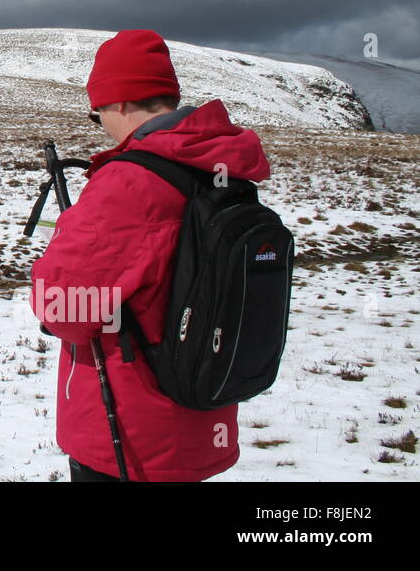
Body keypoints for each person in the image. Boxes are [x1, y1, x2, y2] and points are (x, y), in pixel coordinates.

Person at [30, 29, 272, 481]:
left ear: (119, 103)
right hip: (203, 412)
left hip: (129, 437)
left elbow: (61, 308)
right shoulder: (217, 171)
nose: (101, 122)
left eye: (97, 110)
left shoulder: (129, 185)